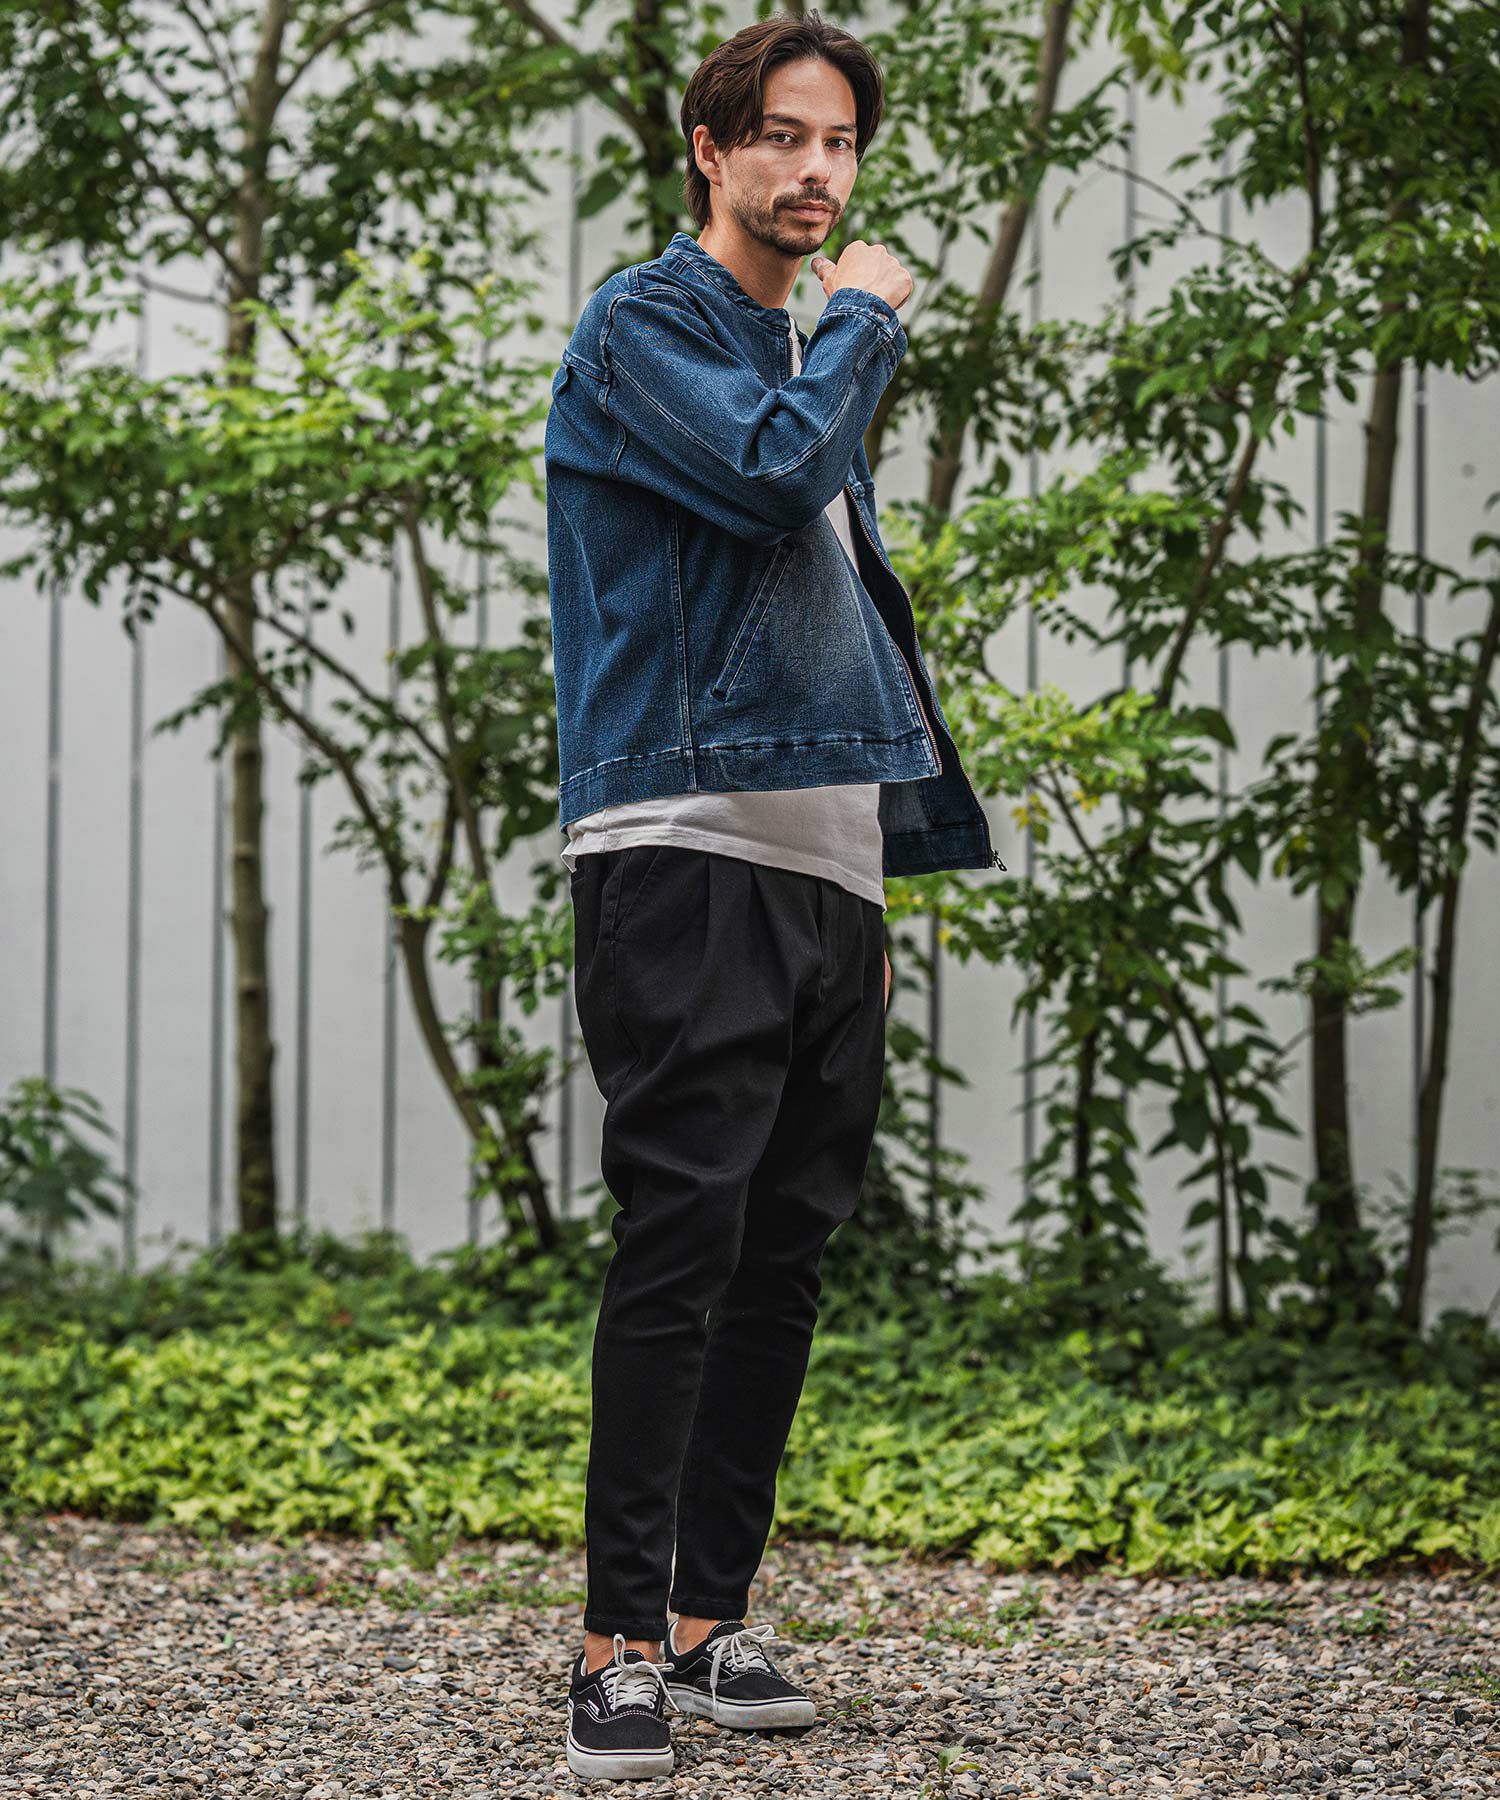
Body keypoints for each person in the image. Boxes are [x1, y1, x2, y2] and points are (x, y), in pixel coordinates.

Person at [543, 8, 1000, 1782]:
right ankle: (612, 1645)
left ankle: (710, 1620)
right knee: (684, 1237)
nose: (819, 171)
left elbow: (829, 628)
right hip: (682, 844)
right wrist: (870, 319)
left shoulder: (794, 359)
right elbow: (768, 478)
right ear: (711, 152)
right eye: (785, 137)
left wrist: (869, 887)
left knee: (783, 1253)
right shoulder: (647, 328)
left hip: (823, 868)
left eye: (841, 143)